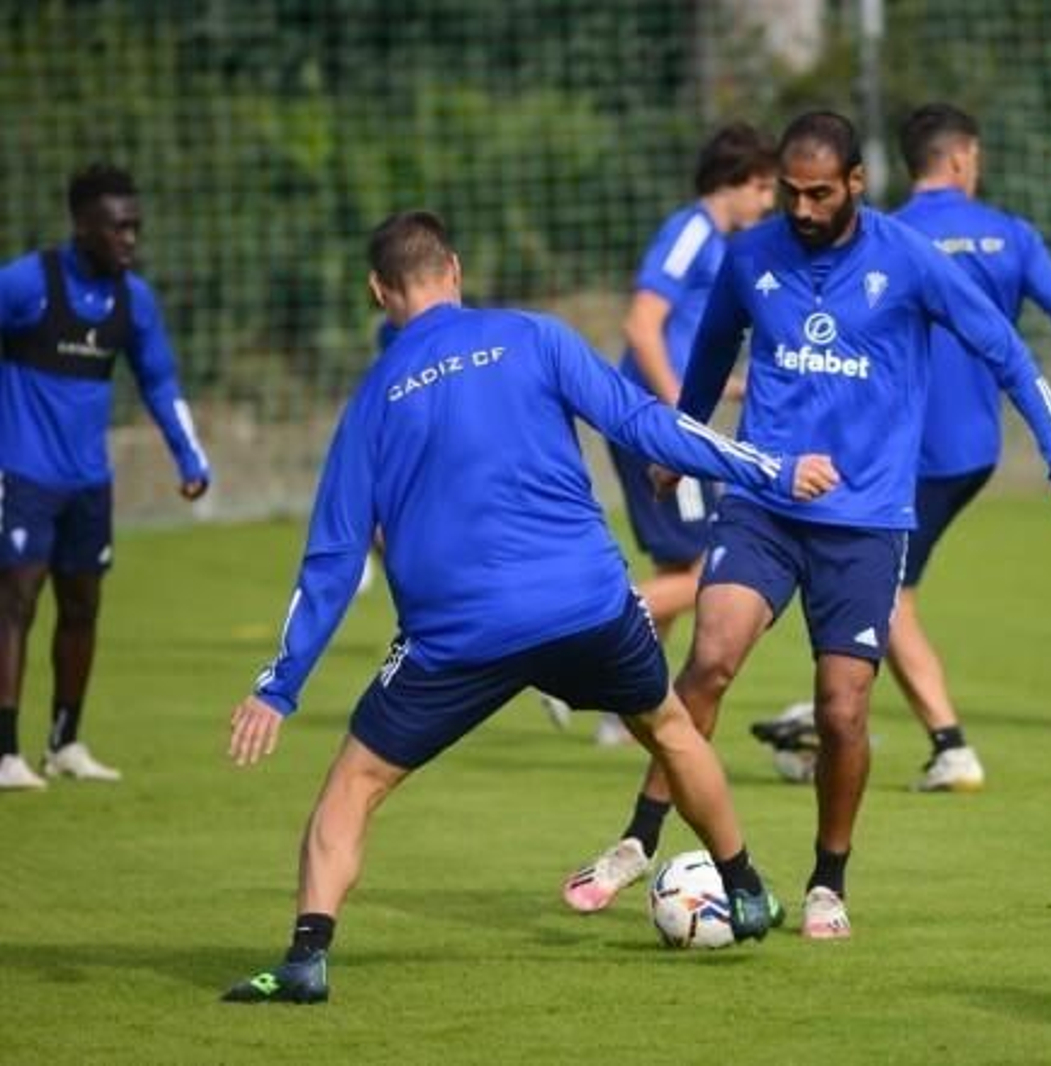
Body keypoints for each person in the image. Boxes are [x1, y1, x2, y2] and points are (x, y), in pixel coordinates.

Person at [220, 210, 840, 1003]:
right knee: (671, 730)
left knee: (354, 785)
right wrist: (773, 470)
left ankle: (307, 958)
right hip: (585, 605)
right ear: (454, 269)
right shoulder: (534, 337)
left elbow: (333, 560)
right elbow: (646, 423)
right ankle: (747, 887)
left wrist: (279, 687)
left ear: (380, 292)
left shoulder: (372, 400)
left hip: (456, 639)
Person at [562, 111, 1051, 940]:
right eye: (790, 191)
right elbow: (712, 348)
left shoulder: (909, 261)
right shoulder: (752, 257)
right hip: (762, 504)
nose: (802, 207)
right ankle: (639, 837)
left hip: (864, 521)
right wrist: (681, 439)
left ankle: (829, 879)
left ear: (857, 183)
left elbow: (1010, 354)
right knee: (709, 658)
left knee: (842, 711)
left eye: (819, 192)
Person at [750, 103, 1051, 792]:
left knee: (876, 588)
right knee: (878, 588)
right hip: (973, 450)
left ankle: (932, 738)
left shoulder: (889, 239)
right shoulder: (1010, 233)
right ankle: (837, 716)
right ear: (963, 159)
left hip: (888, 458)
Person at [0, 164, 210, 791]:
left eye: (135, 228)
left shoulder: (133, 299)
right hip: (23, 472)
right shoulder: (26, 283)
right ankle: (5, 752)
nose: (130, 240)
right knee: (15, 602)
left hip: (89, 481)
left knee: (83, 606)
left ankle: (65, 743)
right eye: (118, 228)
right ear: (82, 226)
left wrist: (189, 455)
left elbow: (160, 381)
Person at [583, 122, 779, 747]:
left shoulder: (715, 241)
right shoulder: (691, 230)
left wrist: (729, 386)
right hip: (654, 425)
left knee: (680, 563)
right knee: (703, 574)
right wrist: (679, 419)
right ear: (743, 183)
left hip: (658, 417)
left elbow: (675, 344)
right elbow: (642, 325)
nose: (771, 204)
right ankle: (577, 639)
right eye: (768, 189)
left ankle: (628, 705)